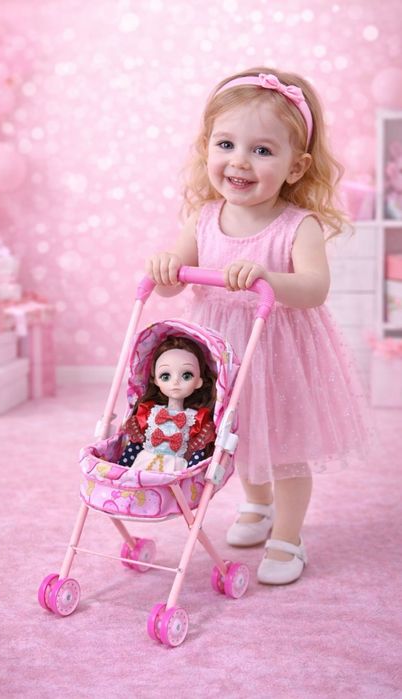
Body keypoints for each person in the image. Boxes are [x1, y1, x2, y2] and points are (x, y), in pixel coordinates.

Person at [145, 67, 370, 585]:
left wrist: (269, 278)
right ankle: (257, 504)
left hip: (278, 352)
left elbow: (314, 287)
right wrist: (164, 268)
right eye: (226, 144)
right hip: (219, 351)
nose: (240, 161)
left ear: (296, 166)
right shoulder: (204, 219)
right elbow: (172, 283)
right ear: (207, 147)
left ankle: (288, 536)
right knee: (236, 434)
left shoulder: (297, 226)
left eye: (262, 150)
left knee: (283, 444)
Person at [118, 335, 217, 473]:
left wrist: (190, 474)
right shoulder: (148, 413)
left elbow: (197, 457)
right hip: (143, 466)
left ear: (199, 382)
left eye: (186, 376)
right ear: (156, 381)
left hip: (174, 472)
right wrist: (121, 470)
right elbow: (134, 447)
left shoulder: (197, 420)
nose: (175, 382)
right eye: (165, 376)